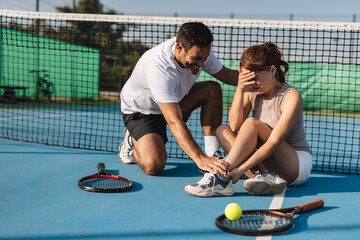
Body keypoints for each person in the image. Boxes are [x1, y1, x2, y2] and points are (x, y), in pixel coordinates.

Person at [185, 42, 312, 197]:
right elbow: (234, 125)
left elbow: (273, 142)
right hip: (265, 163)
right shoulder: (251, 90)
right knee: (222, 130)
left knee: (252, 124)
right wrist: (240, 89)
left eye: (256, 77)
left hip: (295, 166)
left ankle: (222, 177)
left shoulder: (291, 96)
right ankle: (265, 175)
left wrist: (240, 169)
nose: (252, 83)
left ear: (272, 70)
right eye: (247, 77)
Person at [118, 22, 238, 176]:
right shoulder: (159, 67)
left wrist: (263, 80)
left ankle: (213, 152)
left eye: (205, 58)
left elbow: (227, 76)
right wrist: (200, 159)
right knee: (154, 165)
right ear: (180, 47)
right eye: (197, 58)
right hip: (142, 112)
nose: (202, 64)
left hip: (174, 101)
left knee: (211, 89)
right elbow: (175, 121)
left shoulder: (200, 51)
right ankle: (131, 140)